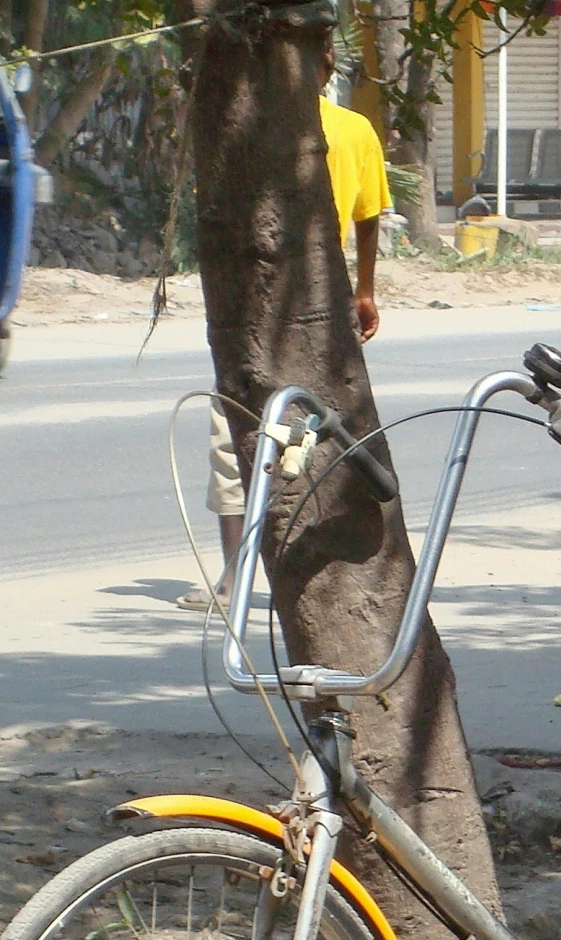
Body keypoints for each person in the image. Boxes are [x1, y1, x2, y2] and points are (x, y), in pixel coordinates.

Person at [183, 43, 391, 611]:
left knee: (236, 439)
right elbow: (370, 219)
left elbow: (217, 218)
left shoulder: (245, 131)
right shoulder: (354, 129)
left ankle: (236, 579)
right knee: (327, 435)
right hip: (327, 307)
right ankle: (313, 570)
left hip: (260, 310)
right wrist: (365, 291)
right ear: (326, 66)